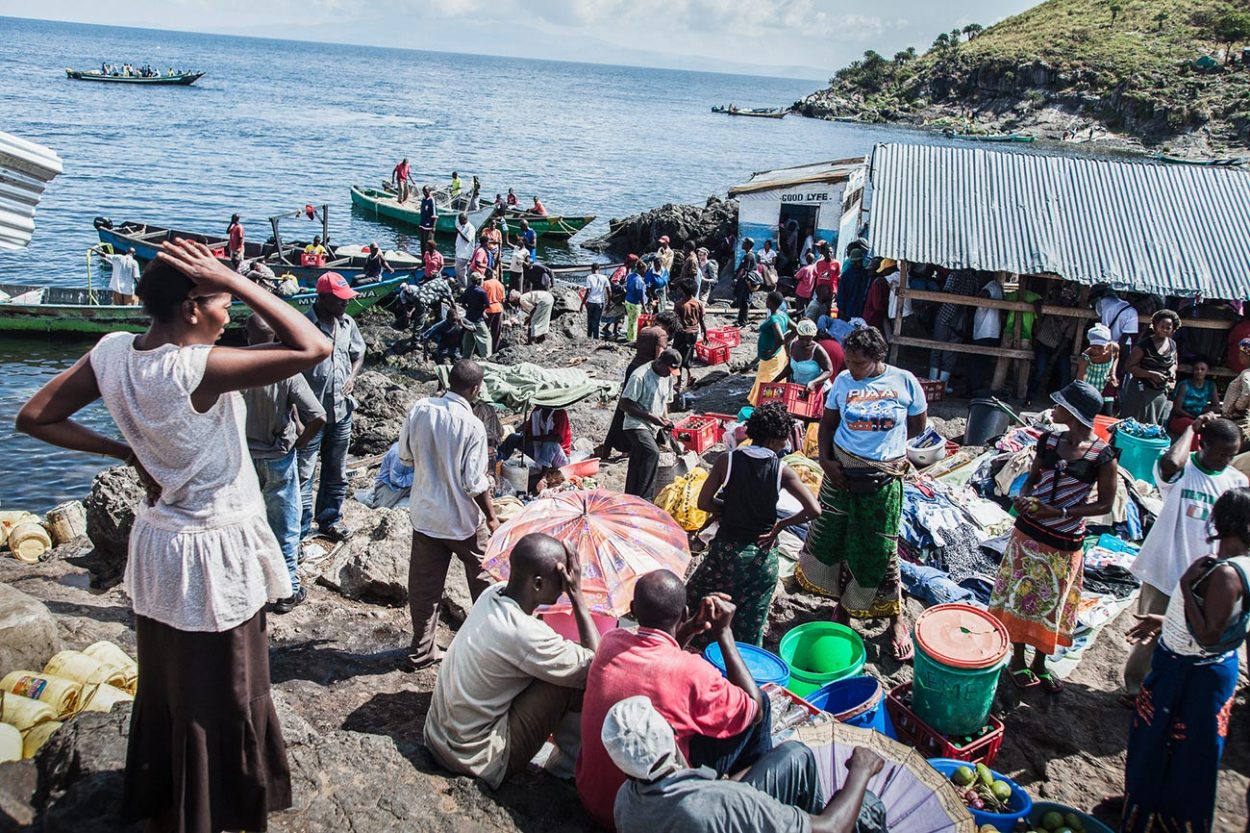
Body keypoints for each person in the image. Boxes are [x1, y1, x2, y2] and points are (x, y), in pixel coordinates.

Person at [16, 238, 332, 833]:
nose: (228, 317)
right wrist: (236, 279)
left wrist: (125, 448)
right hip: (215, 550)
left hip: (162, 546)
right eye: (220, 304)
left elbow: (34, 417)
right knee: (232, 684)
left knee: (172, 686)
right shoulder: (197, 368)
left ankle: (167, 794)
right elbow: (313, 345)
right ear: (192, 306)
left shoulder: (113, 354)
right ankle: (217, 808)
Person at [576, 572, 769, 829]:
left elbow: (658, 659)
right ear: (684, 610)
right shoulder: (692, 671)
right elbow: (753, 709)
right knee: (762, 702)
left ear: (633, 610)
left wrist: (688, 628)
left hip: (593, 800)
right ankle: (743, 806)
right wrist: (724, 634)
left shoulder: (611, 643)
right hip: (647, 817)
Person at [1121, 487, 1250, 833]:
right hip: (1199, 668)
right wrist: (1167, 622)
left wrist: (1185, 582)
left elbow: (1208, 633)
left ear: (1225, 521)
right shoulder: (1233, 567)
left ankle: (1154, 818)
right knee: (1181, 751)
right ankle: (1152, 809)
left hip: (1191, 675)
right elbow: (1218, 626)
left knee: (1173, 751)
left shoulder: (1225, 574)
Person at [424, 531, 597, 787]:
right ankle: (566, 770)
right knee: (576, 682)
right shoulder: (524, 634)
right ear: (537, 584)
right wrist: (578, 597)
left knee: (562, 663)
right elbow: (598, 668)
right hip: (475, 758)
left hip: (438, 737)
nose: (564, 585)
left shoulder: (492, 594)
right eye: (560, 579)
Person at [801, 325, 926, 661]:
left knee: (880, 547)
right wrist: (826, 462)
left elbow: (916, 426)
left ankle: (895, 618)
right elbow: (827, 424)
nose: (852, 369)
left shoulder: (904, 382)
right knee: (837, 538)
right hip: (841, 473)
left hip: (882, 479)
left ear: (877, 358)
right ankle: (842, 607)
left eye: (859, 363)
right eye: (850, 362)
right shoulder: (843, 382)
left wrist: (887, 452)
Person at [989, 380, 1117, 693]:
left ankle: (1040, 663)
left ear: (1072, 413)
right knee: (1021, 596)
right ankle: (1018, 659)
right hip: (1029, 533)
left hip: (1064, 540)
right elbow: (1032, 480)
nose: (1054, 409)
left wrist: (1060, 513)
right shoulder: (1048, 442)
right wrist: (1025, 498)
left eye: (1059, 406)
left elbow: (1104, 503)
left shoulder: (1102, 456)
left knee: (1054, 603)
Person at [603, 696, 887, 833]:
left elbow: (713, 799)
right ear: (671, 735)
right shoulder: (724, 804)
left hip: (707, 808)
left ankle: (803, 819)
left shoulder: (625, 802)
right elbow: (831, 828)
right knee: (866, 806)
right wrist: (860, 771)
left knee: (794, 754)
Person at [1121, 414, 1245, 699]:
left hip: (1206, 576)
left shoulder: (1235, 481)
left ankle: (1169, 689)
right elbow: (1169, 465)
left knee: (1190, 634)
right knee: (1150, 634)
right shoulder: (1183, 469)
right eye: (1221, 452)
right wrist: (1191, 427)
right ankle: (1134, 689)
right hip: (1165, 569)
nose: (1226, 459)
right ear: (1203, 444)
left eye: (1232, 454)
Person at [687, 404, 821, 646]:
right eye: (784, 438)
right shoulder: (782, 470)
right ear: (774, 439)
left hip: (724, 553)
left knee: (699, 603)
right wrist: (781, 525)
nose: (786, 443)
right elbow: (814, 510)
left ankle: (699, 648)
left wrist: (728, 508)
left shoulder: (726, 461)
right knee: (750, 621)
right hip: (760, 558)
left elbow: (704, 502)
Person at [399, 359, 501, 669]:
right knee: (487, 584)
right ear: (476, 389)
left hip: (426, 515)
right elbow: (473, 483)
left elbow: (405, 457)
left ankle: (421, 651)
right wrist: (493, 517)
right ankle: (489, 651)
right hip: (462, 522)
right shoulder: (472, 425)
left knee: (424, 588)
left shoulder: (420, 409)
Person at [241, 315, 327, 614]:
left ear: (247, 338)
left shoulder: (236, 370)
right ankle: (286, 589)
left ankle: (252, 584)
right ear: (277, 337)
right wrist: (299, 444)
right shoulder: (285, 372)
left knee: (250, 525)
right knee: (286, 526)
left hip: (244, 461)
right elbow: (318, 416)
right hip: (278, 457)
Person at [298, 273, 365, 543]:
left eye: (346, 300)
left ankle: (329, 520)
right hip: (310, 416)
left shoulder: (347, 324)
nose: (344, 305)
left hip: (341, 411)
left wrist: (352, 376)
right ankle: (300, 532)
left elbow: (359, 352)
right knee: (304, 475)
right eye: (339, 301)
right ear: (323, 298)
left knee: (336, 472)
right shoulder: (303, 325)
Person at [602, 312, 679, 456]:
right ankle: (645, 443)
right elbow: (659, 359)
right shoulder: (661, 334)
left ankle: (611, 446)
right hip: (646, 375)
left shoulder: (645, 330)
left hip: (633, 369)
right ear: (670, 326)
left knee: (623, 409)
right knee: (646, 407)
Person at [620, 349, 681, 499]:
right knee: (651, 452)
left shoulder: (667, 377)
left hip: (653, 424)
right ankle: (646, 498)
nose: (669, 374)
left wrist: (665, 420)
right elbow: (624, 404)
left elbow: (664, 401)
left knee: (638, 459)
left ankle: (631, 496)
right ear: (660, 362)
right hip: (635, 423)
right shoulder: (640, 376)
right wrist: (650, 417)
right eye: (668, 370)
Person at [1024, 285, 1080, 407]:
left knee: (1066, 373)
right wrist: (1039, 320)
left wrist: (1056, 355)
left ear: (1072, 301)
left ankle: (1061, 403)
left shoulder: (1073, 315)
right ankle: (1029, 397)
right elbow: (1037, 302)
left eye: (1068, 299)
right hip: (1044, 342)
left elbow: (1067, 337)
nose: (1065, 301)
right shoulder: (1052, 304)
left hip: (1060, 347)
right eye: (1064, 298)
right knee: (1040, 370)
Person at [1121, 309, 1179, 425]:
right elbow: (1129, 367)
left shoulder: (1172, 344)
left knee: (1151, 425)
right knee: (1133, 424)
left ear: (1173, 328)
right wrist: (1151, 374)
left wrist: (1172, 371)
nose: (1164, 330)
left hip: (1159, 392)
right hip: (1140, 391)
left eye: (1168, 327)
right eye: (1162, 326)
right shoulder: (1144, 344)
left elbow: (1174, 363)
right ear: (1155, 325)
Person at [927, 268, 978, 394]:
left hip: (945, 315)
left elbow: (946, 292)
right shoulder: (974, 280)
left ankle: (932, 382)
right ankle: (943, 385)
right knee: (950, 353)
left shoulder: (954, 275)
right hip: (961, 319)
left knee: (936, 349)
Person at [774, 319, 833, 409]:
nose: (804, 342)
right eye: (801, 338)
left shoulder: (817, 350)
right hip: (800, 390)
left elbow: (829, 371)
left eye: (807, 339)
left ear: (812, 337)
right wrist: (775, 380)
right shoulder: (793, 345)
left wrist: (813, 382)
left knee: (812, 420)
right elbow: (790, 366)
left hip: (817, 391)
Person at [749, 291, 790, 406]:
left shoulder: (774, 319)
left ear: (771, 303)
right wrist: (784, 342)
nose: (765, 301)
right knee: (772, 377)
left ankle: (763, 403)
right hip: (779, 353)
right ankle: (770, 401)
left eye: (767, 300)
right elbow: (795, 329)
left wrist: (773, 350)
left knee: (766, 379)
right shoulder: (783, 314)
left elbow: (780, 338)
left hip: (771, 357)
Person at [967, 273, 1005, 397]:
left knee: (977, 362)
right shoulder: (998, 288)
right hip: (992, 331)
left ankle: (974, 390)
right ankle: (976, 389)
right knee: (982, 363)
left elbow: (984, 294)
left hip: (985, 331)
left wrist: (975, 298)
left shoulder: (991, 286)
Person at [1168, 357, 1220, 437]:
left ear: (1207, 371)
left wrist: (1202, 412)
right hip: (1181, 418)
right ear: (1192, 370)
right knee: (1194, 427)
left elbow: (1216, 407)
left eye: (1202, 369)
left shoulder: (1210, 385)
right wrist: (1193, 417)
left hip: (1200, 418)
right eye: (1196, 369)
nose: (1199, 372)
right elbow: (1177, 409)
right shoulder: (1184, 385)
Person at [1076, 323, 1120, 414]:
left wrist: (1112, 374)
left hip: (1105, 387)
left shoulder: (1113, 348)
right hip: (1090, 389)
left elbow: (1116, 358)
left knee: (1107, 414)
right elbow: (1081, 380)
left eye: (1100, 348)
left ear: (1106, 345)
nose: (1096, 351)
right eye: (1093, 347)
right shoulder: (1085, 357)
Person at [672, 280, 706, 393]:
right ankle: (689, 376)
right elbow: (702, 320)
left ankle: (678, 381)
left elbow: (676, 322)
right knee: (689, 355)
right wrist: (705, 334)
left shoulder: (679, 304)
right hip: (694, 333)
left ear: (682, 290)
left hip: (682, 333)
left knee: (678, 357)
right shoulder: (698, 303)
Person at [1221, 338, 1250, 447]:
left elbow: (1248, 391)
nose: (1239, 356)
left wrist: (1238, 408)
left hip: (1239, 419)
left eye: (1241, 354)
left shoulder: (1246, 373)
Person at [368, 441, 414, 510]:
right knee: (381, 509)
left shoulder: (420, 451)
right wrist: (416, 477)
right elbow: (396, 480)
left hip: (411, 481)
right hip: (391, 485)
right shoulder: (398, 454)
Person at [835, 244, 873, 322]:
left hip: (861, 310)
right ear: (853, 262)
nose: (858, 264)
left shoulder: (865, 274)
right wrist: (842, 311)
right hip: (848, 310)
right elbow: (841, 294)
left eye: (860, 261)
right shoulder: (846, 275)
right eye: (856, 262)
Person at [460, 272, 492, 359]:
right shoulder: (482, 292)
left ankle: (465, 360)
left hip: (468, 320)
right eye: (481, 279)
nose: (483, 281)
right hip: (478, 320)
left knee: (468, 342)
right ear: (478, 281)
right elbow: (487, 305)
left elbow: (463, 304)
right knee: (486, 339)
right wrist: (481, 312)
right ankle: (487, 359)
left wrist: (470, 310)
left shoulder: (467, 290)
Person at [733, 238, 759, 328]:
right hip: (746, 282)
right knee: (743, 301)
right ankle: (741, 320)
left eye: (744, 243)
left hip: (747, 282)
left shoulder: (749, 256)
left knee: (745, 301)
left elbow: (743, 270)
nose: (743, 244)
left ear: (748, 245)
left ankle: (743, 321)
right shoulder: (749, 255)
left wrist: (736, 279)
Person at [582, 263, 610, 340]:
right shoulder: (604, 278)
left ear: (592, 269)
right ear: (599, 269)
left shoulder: (589, 277)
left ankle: (588, 337)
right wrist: (609, 302)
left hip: (591, 302)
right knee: (597, 322)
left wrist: (582, 303)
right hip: (600, 302)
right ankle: (596, 339)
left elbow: (588, 291)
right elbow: (609, 291)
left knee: (590, 321)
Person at [482, 269, 506, 349]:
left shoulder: (485, 284)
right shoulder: (500, 284)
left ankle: (484, 350)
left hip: (488, 310)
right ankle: (495, 349)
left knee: (484, 331)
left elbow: (482, 297)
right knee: (496, 332)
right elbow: (503, 300)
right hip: (498, 309)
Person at [624, 260, 648, 341]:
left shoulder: (630, 276)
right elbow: (640, 295)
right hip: (635, 303)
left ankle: (629, 336)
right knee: (634, 322)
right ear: (641, 269)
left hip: (628, 300)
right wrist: (645, 308)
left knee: (630, 320)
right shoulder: (639, 281)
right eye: (644, 270)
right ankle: (632, 339)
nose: (645, 272)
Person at [454, 212, 476, 288]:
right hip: (459, 253)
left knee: (462, 273)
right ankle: (461, 286)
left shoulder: (470, 228)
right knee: (458, 272)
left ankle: (465, 287)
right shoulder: (461, 226)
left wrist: (459, 232)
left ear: (465, 219)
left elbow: (467, 239)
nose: (459, 221)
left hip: (465, 254)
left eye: (460, 220)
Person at [417, 184, 438, 253]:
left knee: (428, 245)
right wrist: (420, 224)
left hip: (429, 227)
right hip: (423, 225)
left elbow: (434, 215)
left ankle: (429, 261)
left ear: (429, 191)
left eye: (426, 191)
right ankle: (423, 261)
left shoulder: (432, 200)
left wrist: (433, 227)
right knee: (422, 244)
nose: (424, 193)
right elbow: (422, 212)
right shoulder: (423, 199)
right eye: (423, 191)